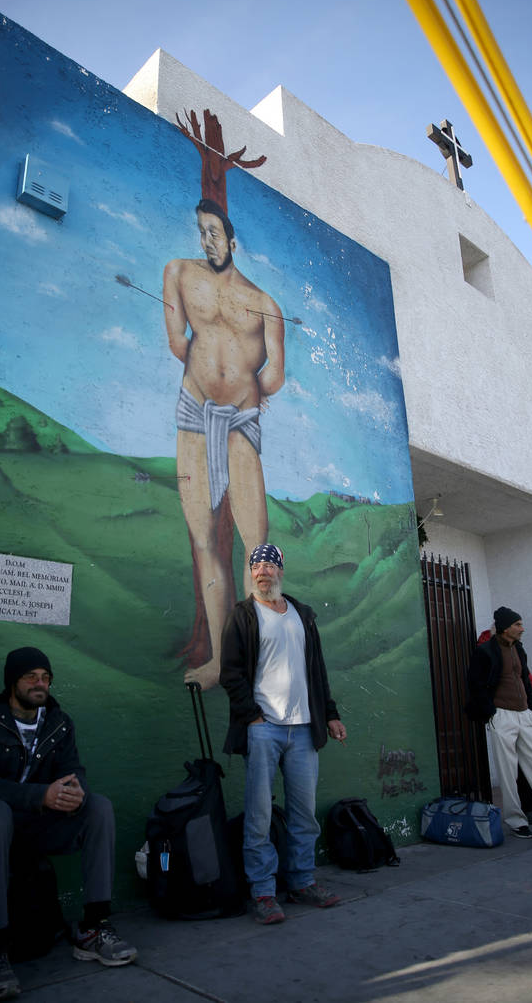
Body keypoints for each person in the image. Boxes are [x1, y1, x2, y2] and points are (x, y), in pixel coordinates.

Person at [0, 646, 136, 1001]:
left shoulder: (58, 723)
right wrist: (40, 796)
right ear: (12, 681)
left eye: (45, 677)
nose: (40, 684)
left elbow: (72, 769)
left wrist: (75, 791)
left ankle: (94, 929)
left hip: (32, 825)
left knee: (99, 808)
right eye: (31, 676)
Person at [163, 199, 285, 690]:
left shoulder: (265, 304)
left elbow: (274, 374)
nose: (208, 240)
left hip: (241, 419)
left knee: (257, 546)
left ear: (233, 240)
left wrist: (244, 387)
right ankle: (217, 661)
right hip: (194, 412)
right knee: (202, 538)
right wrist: (213, 374)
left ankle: (259, 658)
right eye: (202, 231)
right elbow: (178, 341)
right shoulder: (178, 273)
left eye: (216, 232)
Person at [220, 544, 347, 924]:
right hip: (264, 729)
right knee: (259, 815)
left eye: (267, 566)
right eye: (255, 566)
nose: (261, 572)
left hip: (305, 730)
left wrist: (331, 715)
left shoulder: (302, 615)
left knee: (304, 813)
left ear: (280, 571)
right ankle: (262, 890)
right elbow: (231, 674)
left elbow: (318, 672)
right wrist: (252, 717)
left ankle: (302, 881)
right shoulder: (242, 616)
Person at [465, 606, 532, 839]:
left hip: (524, 713)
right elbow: (475, 685)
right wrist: (491, 712)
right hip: (501, 715)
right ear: (505, 628)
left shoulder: (519, 649)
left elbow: (524, 678)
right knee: (507, 769)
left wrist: (531, 707)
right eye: (517, 624)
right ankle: (516, 820)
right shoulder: (485, 651)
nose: (521, 628)